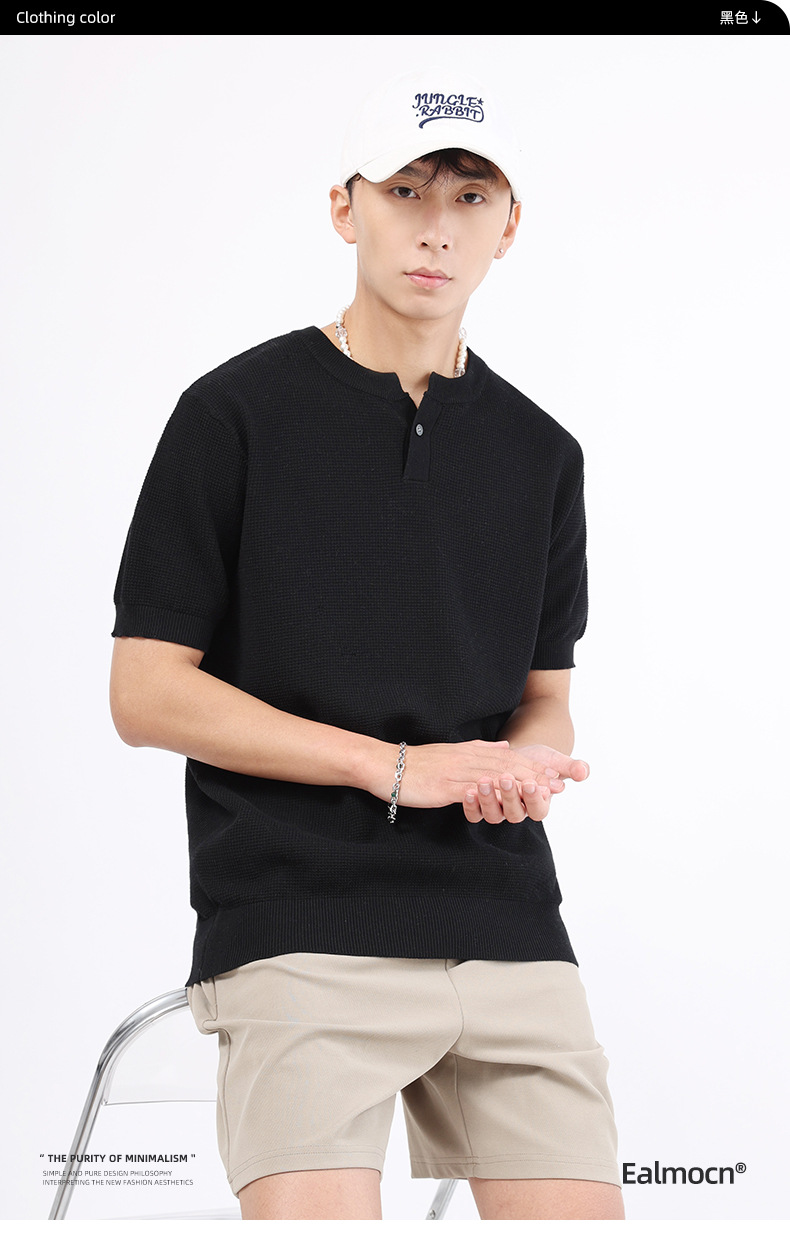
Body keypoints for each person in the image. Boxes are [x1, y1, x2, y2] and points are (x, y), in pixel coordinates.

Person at [109, 67, 624, 1221]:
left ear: (509, 227)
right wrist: (392, 768)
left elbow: (544, 692)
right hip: (301, 922)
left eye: (470, 197)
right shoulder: (232, 416)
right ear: (345, 208)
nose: (437, 228)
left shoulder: (542, 453)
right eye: (405, 191)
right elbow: (144, 693)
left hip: (506, 926)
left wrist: (526, 763)